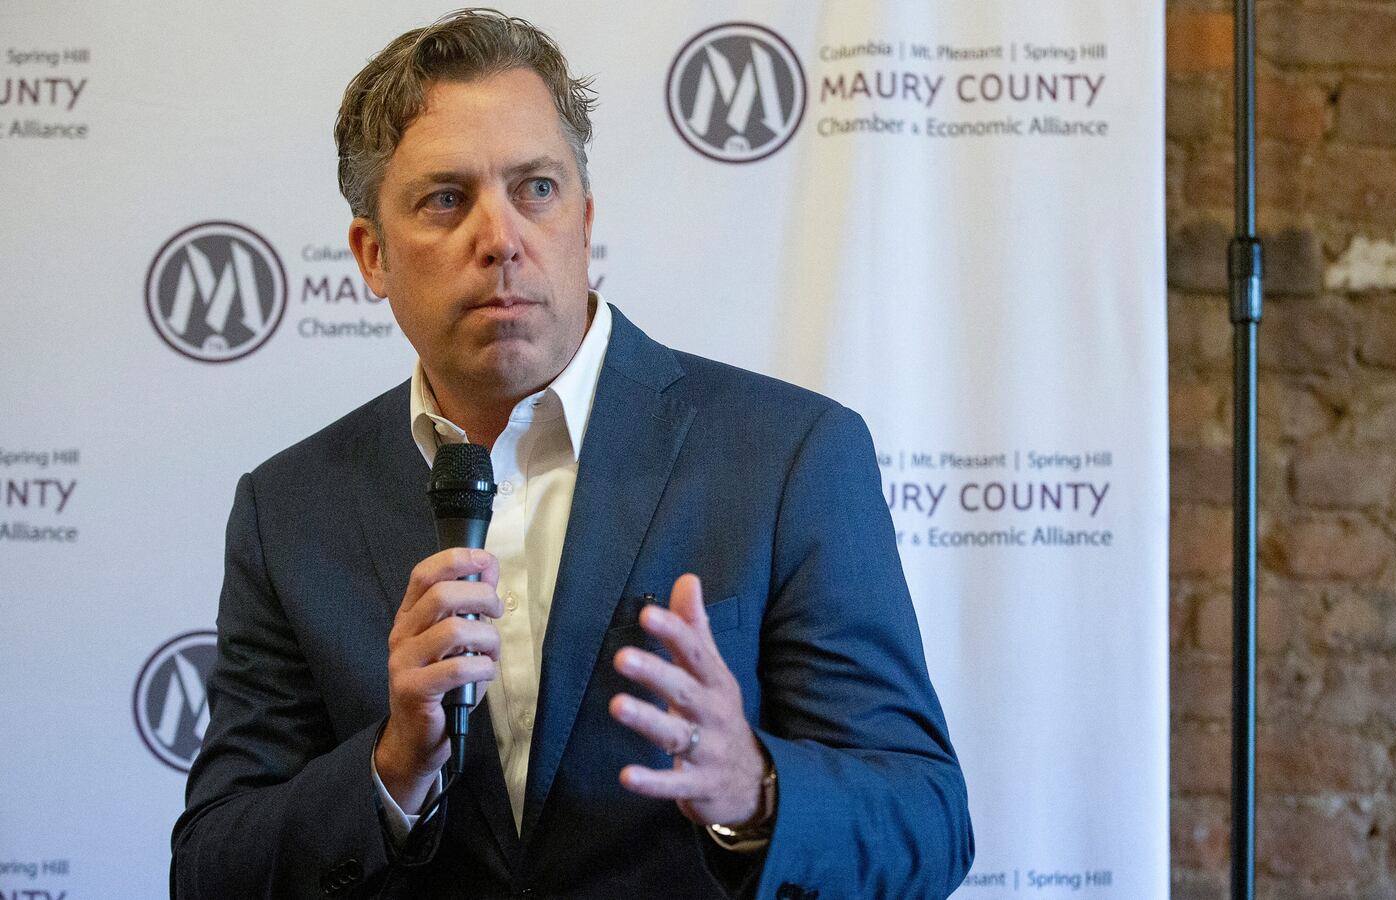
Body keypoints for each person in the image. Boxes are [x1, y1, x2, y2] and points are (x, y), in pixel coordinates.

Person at [171, 9, 972, 898]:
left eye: (536, 189)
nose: (501, 237)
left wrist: (754, 789)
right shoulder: (289, 508)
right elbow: (212, 869)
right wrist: (392, 765)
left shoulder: (787, 456)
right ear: (372, 255)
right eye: (446, 199)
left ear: (584, 221)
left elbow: (927, 821)